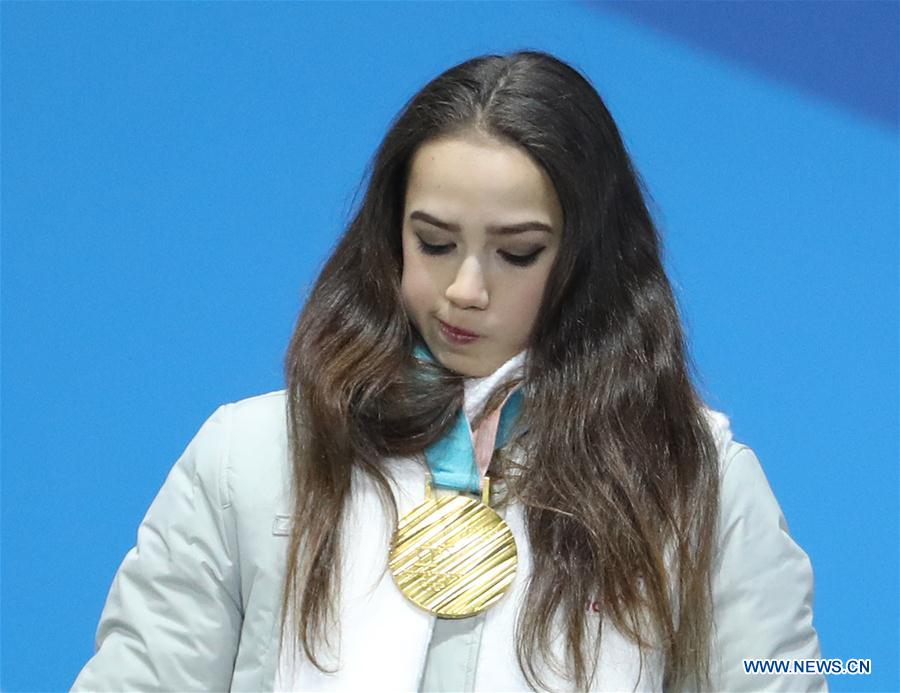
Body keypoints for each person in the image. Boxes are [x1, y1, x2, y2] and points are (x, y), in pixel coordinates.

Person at [72, 50, 824, 692]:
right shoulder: (254, 458)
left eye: (517, 251)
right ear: (390, 232)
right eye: (433, 242)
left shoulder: (697, 484)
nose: (467, 287)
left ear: (591, 260)